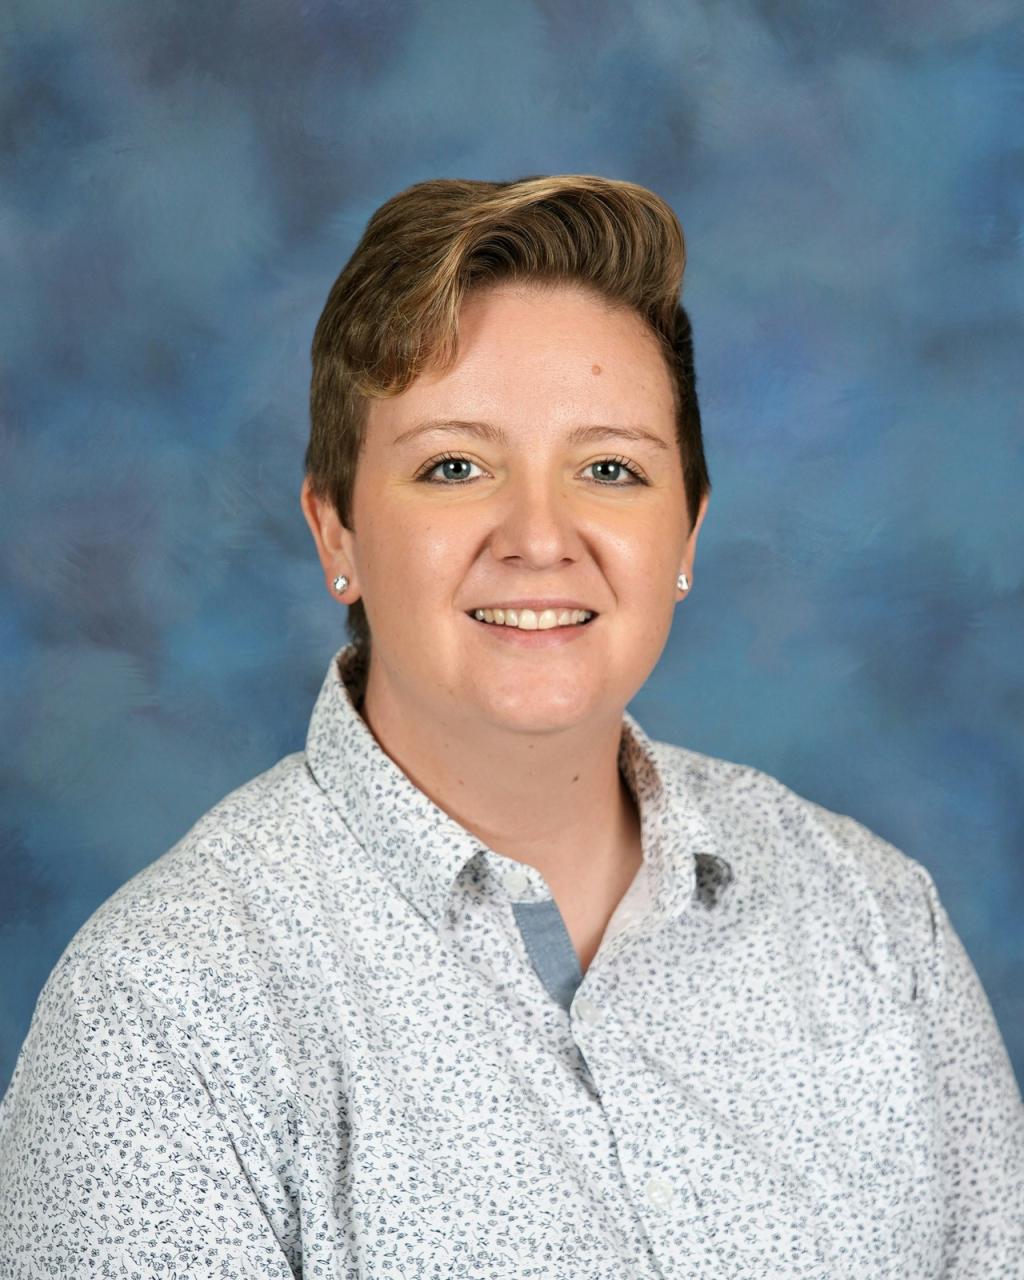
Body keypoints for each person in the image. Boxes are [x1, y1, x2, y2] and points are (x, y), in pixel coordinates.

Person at [0, 174, 1020, 1278]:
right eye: (453, 465)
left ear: (687, 532)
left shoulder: (871, 919)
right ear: (333, 526)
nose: (540, 536)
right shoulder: (164, 1013)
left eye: (609, 468)